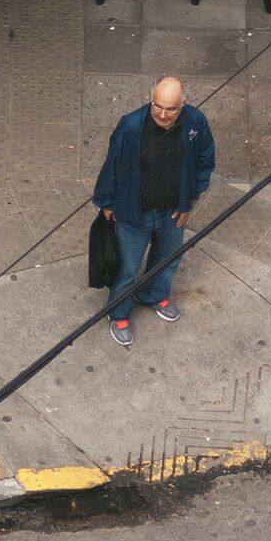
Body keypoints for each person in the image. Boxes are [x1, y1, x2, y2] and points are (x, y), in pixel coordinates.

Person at [93, 74, 215, 346]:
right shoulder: (131, 125)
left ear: (183, 105)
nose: (162, 114)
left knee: (168, 260)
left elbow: (205, 160)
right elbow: (112, 163)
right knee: (127, 267)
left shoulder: (195, 122)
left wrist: (189, 201)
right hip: (135, 213)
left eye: (171, 109)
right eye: (157, 106)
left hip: (173, 212)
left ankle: (153, 294)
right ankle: (119, 313)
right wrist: (107, 202)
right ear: (151, 100)